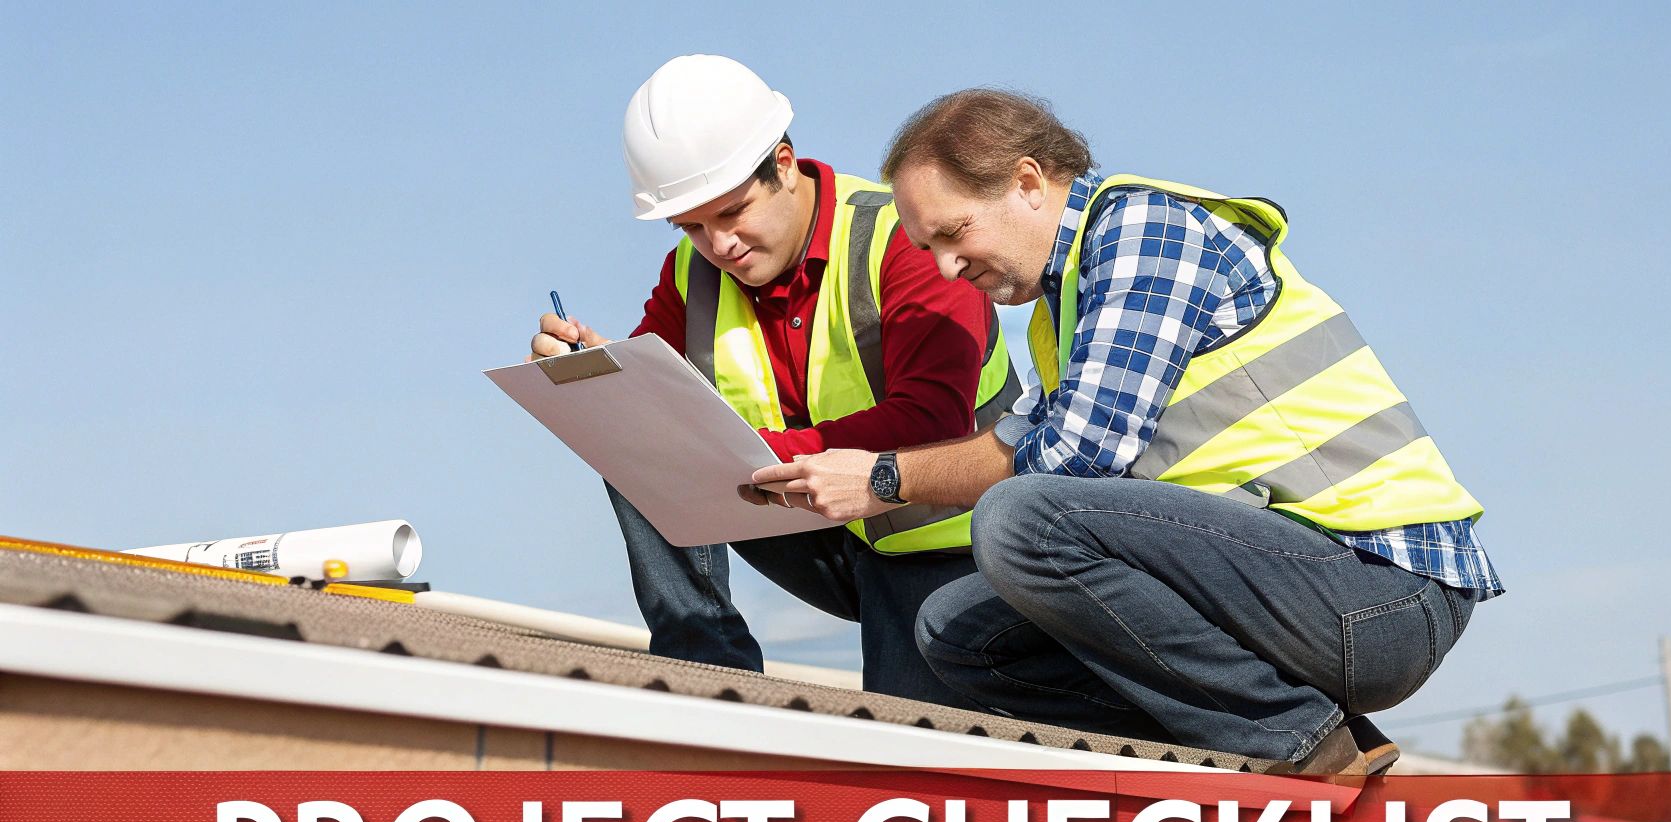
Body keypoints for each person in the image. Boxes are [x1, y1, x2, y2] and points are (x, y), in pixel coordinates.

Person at [752, 89, 1503, 773]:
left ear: (1026, 181)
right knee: (957, 632)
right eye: (929, 248)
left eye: (954, 232)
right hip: (1291, 589)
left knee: (1022, 520)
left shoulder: (1144, 232)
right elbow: (1026, 442)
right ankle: (1266, 747)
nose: (947, 267)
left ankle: (1294, 742)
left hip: (1382, 590)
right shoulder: (1066, 307)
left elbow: (1076, 456)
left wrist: (884, 477)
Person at [528, 58, 1015, 702]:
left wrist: (759, 455)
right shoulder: (691, 272)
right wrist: (596, 378)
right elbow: (654, 407)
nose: (718, 244)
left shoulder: (904, 239)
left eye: (732, 213)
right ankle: (707, 673)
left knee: (910, 740)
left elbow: (931, 420)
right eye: (692, 226)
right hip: (826, 530)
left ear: (784, 163)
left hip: (955, 547)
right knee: (635, 437)